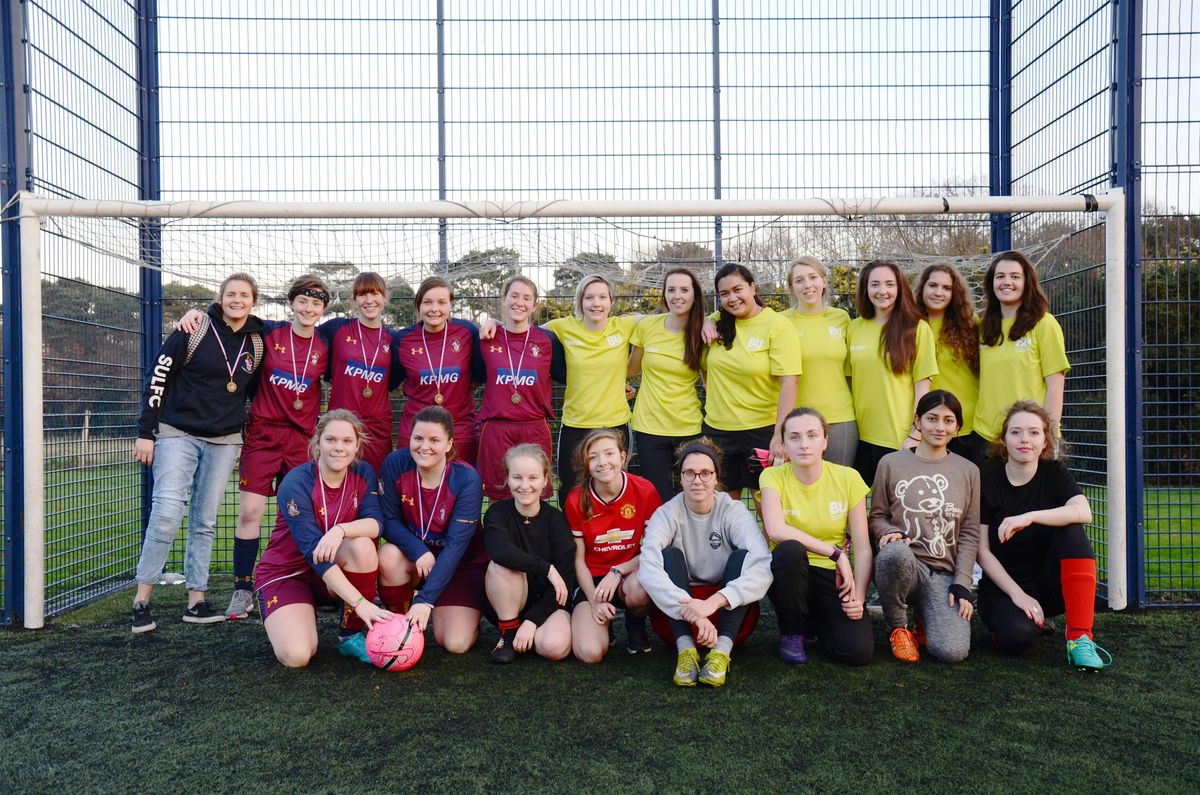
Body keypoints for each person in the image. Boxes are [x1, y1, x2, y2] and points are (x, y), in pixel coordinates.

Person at [130, 273, 266, 633]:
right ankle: (142, 599)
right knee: (166, 513)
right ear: (220, 298)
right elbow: (157, 376)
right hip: (178, 434)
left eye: (245, 295)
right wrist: (146, 432)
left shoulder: (258, 339)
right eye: (231, 294)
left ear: (254, 302)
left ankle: (197, 600)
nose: (238, 300)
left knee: (205, 521)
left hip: (224, 441)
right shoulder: (194, 328)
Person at [225, 275, 332, 620]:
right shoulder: (268, 334)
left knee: (301, 514)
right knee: (250, 512)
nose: (308, 308)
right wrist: (196, 314)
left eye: (316, 304)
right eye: (303, 301)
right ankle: (242, 589)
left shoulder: (326, 344)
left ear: (323, 309)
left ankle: (306, 581)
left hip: (302, 439)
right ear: (292, 303)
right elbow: (230, 315)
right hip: (264, 434)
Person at [251, 410, 394, 667]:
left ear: (357, 445)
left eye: (347, 441)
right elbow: (312, 554)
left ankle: (350, 635)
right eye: (331, 440)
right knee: (297, 656)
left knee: (362, 547)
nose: (339, 448)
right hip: (288, 574)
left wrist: (340, 530)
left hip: (331, 574)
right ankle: (296, 613)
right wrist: (361, 602)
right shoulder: (295, 482)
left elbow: (376, 525)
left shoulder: (364, 473)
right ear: (317, 442)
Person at [976, 401, 1111, 670]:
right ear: (1003, 439)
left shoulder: (1054, 473)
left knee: (1072, 528)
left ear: (1045, 439)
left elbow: (1084, 511)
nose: (1025, 439)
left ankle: (1079, 638)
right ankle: (1015, 623)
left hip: (1050, 585)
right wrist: (1018, 595)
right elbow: (981, 551)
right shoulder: (987, 477)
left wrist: (1030, 516)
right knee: (1018, 638)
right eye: (1016, 432)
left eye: (1034, 432)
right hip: (1004, 587)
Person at [640, 439, 773, 687]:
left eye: (705, 473)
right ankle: (686, 652)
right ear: (680, 477)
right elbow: (648, 566)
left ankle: (721, 653)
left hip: (727, 617)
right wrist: (694, 613)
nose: (697, 480)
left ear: (715, 477)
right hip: (677, 619)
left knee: (743, 557)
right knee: (667, 555)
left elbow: (762, 563)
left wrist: (712, 604)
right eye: (689, 473)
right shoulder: (667, 512)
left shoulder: (732, 510)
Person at [869, 390, 980, 664]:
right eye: (932, 419)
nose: (939, 427)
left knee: (951, 652)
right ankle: (898, 628)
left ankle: (924, 619)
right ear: (917, 421)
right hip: (904, 564)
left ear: (958, 427)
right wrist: (887, 533)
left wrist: (963, 583)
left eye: (948, 420)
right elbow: (877, 516)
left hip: (943, 573)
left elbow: (969, 532)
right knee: (895, 555)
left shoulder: (968, 471)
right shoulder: (891, 463)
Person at [761, 408, 873, 666]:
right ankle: (792, 632)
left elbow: (863, 547)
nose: (804, 444)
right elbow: (776, 530)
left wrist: (859, 595)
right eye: (795, 437)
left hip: (830, 575)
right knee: (789, 550)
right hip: (789, 573)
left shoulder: (848, 477)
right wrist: (836, 553)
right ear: (784, 443)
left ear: (825, 441)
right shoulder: (772, 476)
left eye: (812, 436)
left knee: (857, 651)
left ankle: (816, 620)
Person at [378, 406, 487, 654]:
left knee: (455, 644)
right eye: (418, 438)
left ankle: (449, 610)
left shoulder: (466, 479)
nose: (424, 446)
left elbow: (457, 545)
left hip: (459, 564)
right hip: (416, 559)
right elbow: (389, 520)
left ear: (449, 444)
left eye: (434, 440)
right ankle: (401, 624)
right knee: (388, 556)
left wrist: (425, 600)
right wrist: (418, 551)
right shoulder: (396, 464)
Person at [702, 263, 803, 500]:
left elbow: (790, 382)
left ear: (753, 287)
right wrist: (705, 320)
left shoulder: (777, 326)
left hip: (762, 432)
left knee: (767, 506)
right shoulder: (717, 323)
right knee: (722, 508)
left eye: (738, 290)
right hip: (718, 432)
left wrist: (780, 434)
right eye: (724, 294)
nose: (732, 298)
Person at [565, 429, 663, 662]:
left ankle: (635, 627)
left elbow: (656, 547)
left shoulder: (645, 490)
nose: (602, 462)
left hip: (629, 574)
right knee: (590, 653)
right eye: (594, 457)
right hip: (593, 581)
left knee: (640, 587)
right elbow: (578, 560)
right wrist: (593, 599)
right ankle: (603, 624)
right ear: (586, 464)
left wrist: (618, 571)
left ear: (623, 456)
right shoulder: (575, 499)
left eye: (609, 453)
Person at [542, 274, 638, 503]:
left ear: (611, 302)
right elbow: (523, 332)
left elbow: (663, 320)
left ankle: (614, 539)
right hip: (576, 424)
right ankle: (573, 539)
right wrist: (494, 324)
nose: (596, 303)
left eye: (603, 297)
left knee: (615, 491)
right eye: (589, 297)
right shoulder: (563, 327)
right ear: (580, 302)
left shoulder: (624, 326)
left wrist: (704, 321)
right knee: (571, 495)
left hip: (614, 424)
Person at [847, 260, 938, 485]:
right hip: (860, 437)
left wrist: (915, 435)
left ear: (900, 289)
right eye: (875, 284)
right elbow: (850, 381)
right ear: (865, 289)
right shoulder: (854, 328)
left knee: (900, 507)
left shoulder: (917, 328)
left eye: (889, 284)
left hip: (898, 437)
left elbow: (923, 388)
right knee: (863, 508)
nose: (882, 291)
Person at [483, 444, 577, 663]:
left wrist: (533, 621)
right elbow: (500, 551)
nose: (525, 486)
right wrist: (546, 568)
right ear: (507, 479)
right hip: (507, 599)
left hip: (549, 601)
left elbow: (566, 578)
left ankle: (528, 633)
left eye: (533, 478)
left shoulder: (556, 520)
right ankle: (508, 634)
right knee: (501, 566)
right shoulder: (497, 513)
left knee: (554, 648)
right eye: (517, 477)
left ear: (546, 480)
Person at [476, 276, 564, 501]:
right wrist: (491, 321)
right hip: (497, 427)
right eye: (514, 296)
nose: (519, 302)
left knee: (534, 495)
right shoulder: (487, 337)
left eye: (527, 298)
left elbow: (568, 375)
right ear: (503, 299)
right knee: (498, 496)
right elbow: (474, 377)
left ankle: (533, 537)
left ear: (534, 305)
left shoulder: (548, 341)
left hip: (533, 426)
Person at [973, 251, 1070, 450]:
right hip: (985, 436)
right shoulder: (982, 329)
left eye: (1015, 276)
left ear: (1028, 283)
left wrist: (1049, 435)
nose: (1006, 282)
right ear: (992, 283)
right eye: (1000, 276)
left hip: (1026, 439)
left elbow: (1055, 386)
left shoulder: (1044, 324)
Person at [628, 268, 706, 500]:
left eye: (684, 290)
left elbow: (711, 383)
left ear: (695, 295)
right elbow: (630, 371)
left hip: (689, 427)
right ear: (664, 295)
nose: (677, 296)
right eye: (671, 290)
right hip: (649, 428)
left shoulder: (704, 333)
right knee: (658, 500)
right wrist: (619, 385)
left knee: (693, 498)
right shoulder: (647, 327)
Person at [394, 277, 485, 465]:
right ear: (418, 305)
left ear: (450, 305)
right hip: (416, 429)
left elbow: (479, 376)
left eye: (442, 302)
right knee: (412, 488)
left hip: (460, 429)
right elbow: (390, 381)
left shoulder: (467, 332)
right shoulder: (402, 339)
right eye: (427, 302)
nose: (434, 308)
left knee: (459, 488)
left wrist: (494, 321)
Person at [319, 272, 402, 473]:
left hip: (377, 426)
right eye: (362, 294)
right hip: (341, 423)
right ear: (355, 299)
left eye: (374, 294)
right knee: (337, 481)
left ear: (384, 297)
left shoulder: (393, 339)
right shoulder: (336, 328)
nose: (369, 300)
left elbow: (393, 380)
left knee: (374, 484)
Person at [780, 256, 857, 467]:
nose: (807, 285)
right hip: (797, 421)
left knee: (839, 488)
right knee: (798, 490)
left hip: (840, 418)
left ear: (824, 281)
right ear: (792, 287)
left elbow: (850, 372)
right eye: (799, 280)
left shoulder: (841, 318)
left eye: (813, 277)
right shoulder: (780, 322)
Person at [915, 264, 984, 465]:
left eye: (946, 288)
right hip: (932, 424)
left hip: (969, 424)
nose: (939, 292)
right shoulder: (911, 325)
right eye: (933, 285)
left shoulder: (970, 324)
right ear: (922, 288)